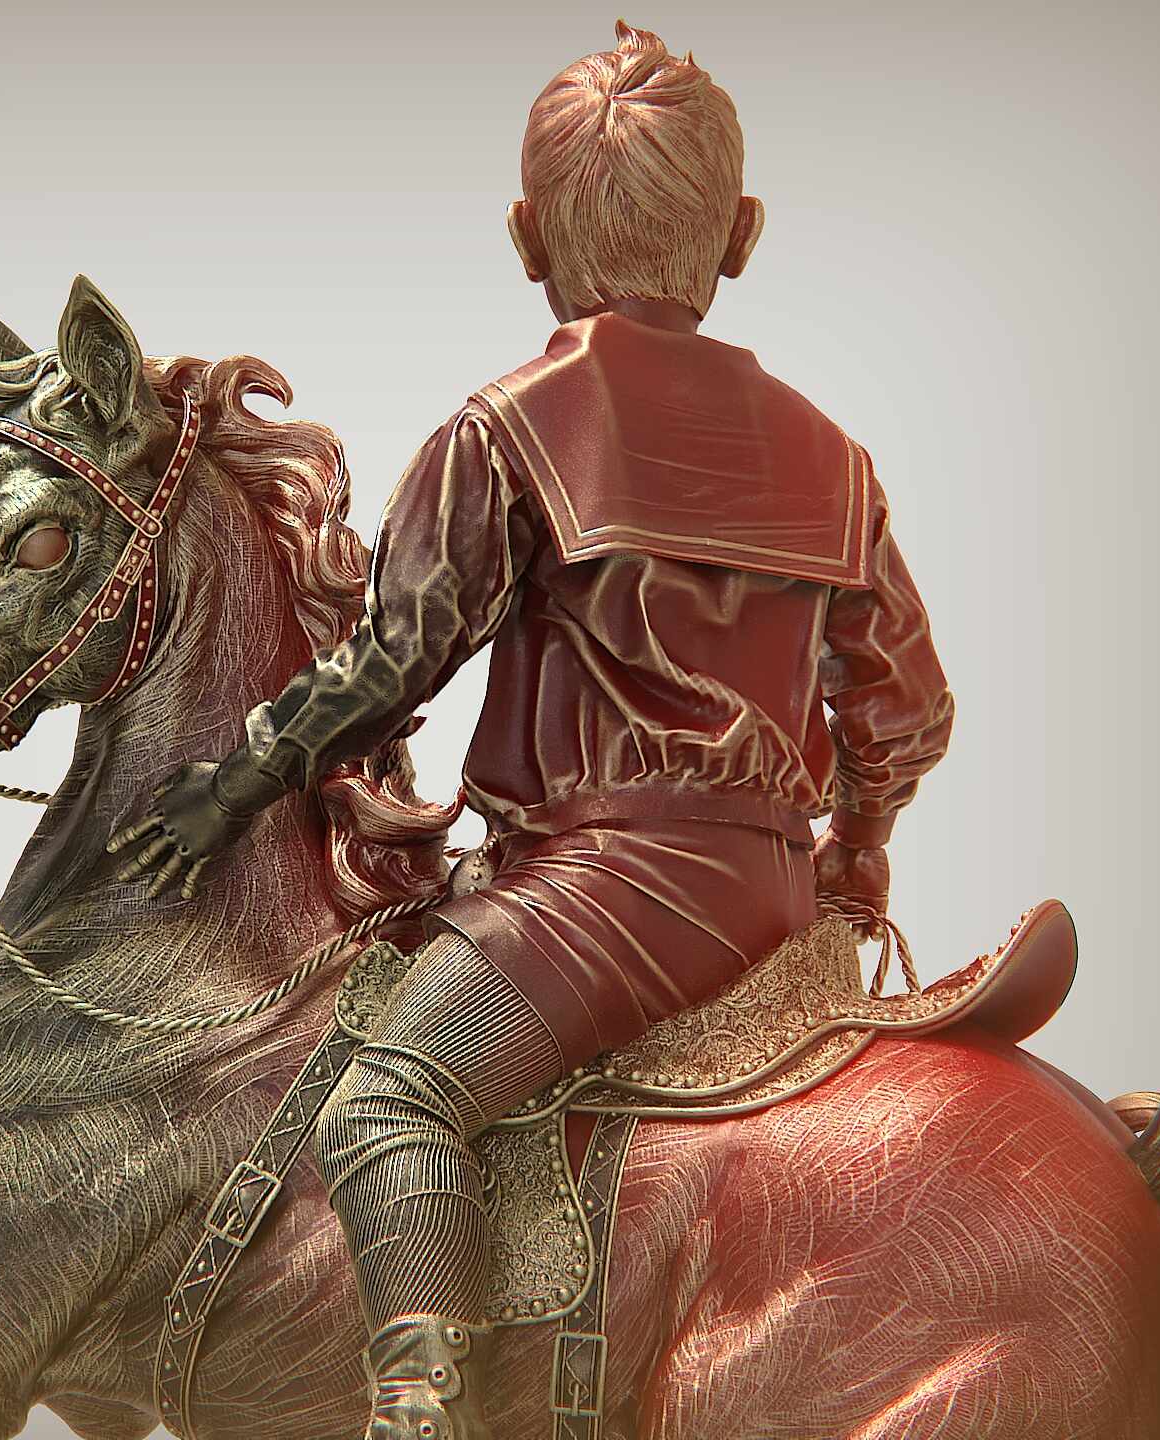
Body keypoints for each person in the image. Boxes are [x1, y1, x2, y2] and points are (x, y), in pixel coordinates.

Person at [109, 22, 954, 1440]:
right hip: (772, 894)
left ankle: (418, 1409)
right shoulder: (837, 459)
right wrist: (857, 856)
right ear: (739, 234)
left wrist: (232, 782)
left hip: (604, 896)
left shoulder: (507, 432)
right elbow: (907, 710)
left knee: (386, 1098)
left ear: (526, 238)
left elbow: (394, 665)